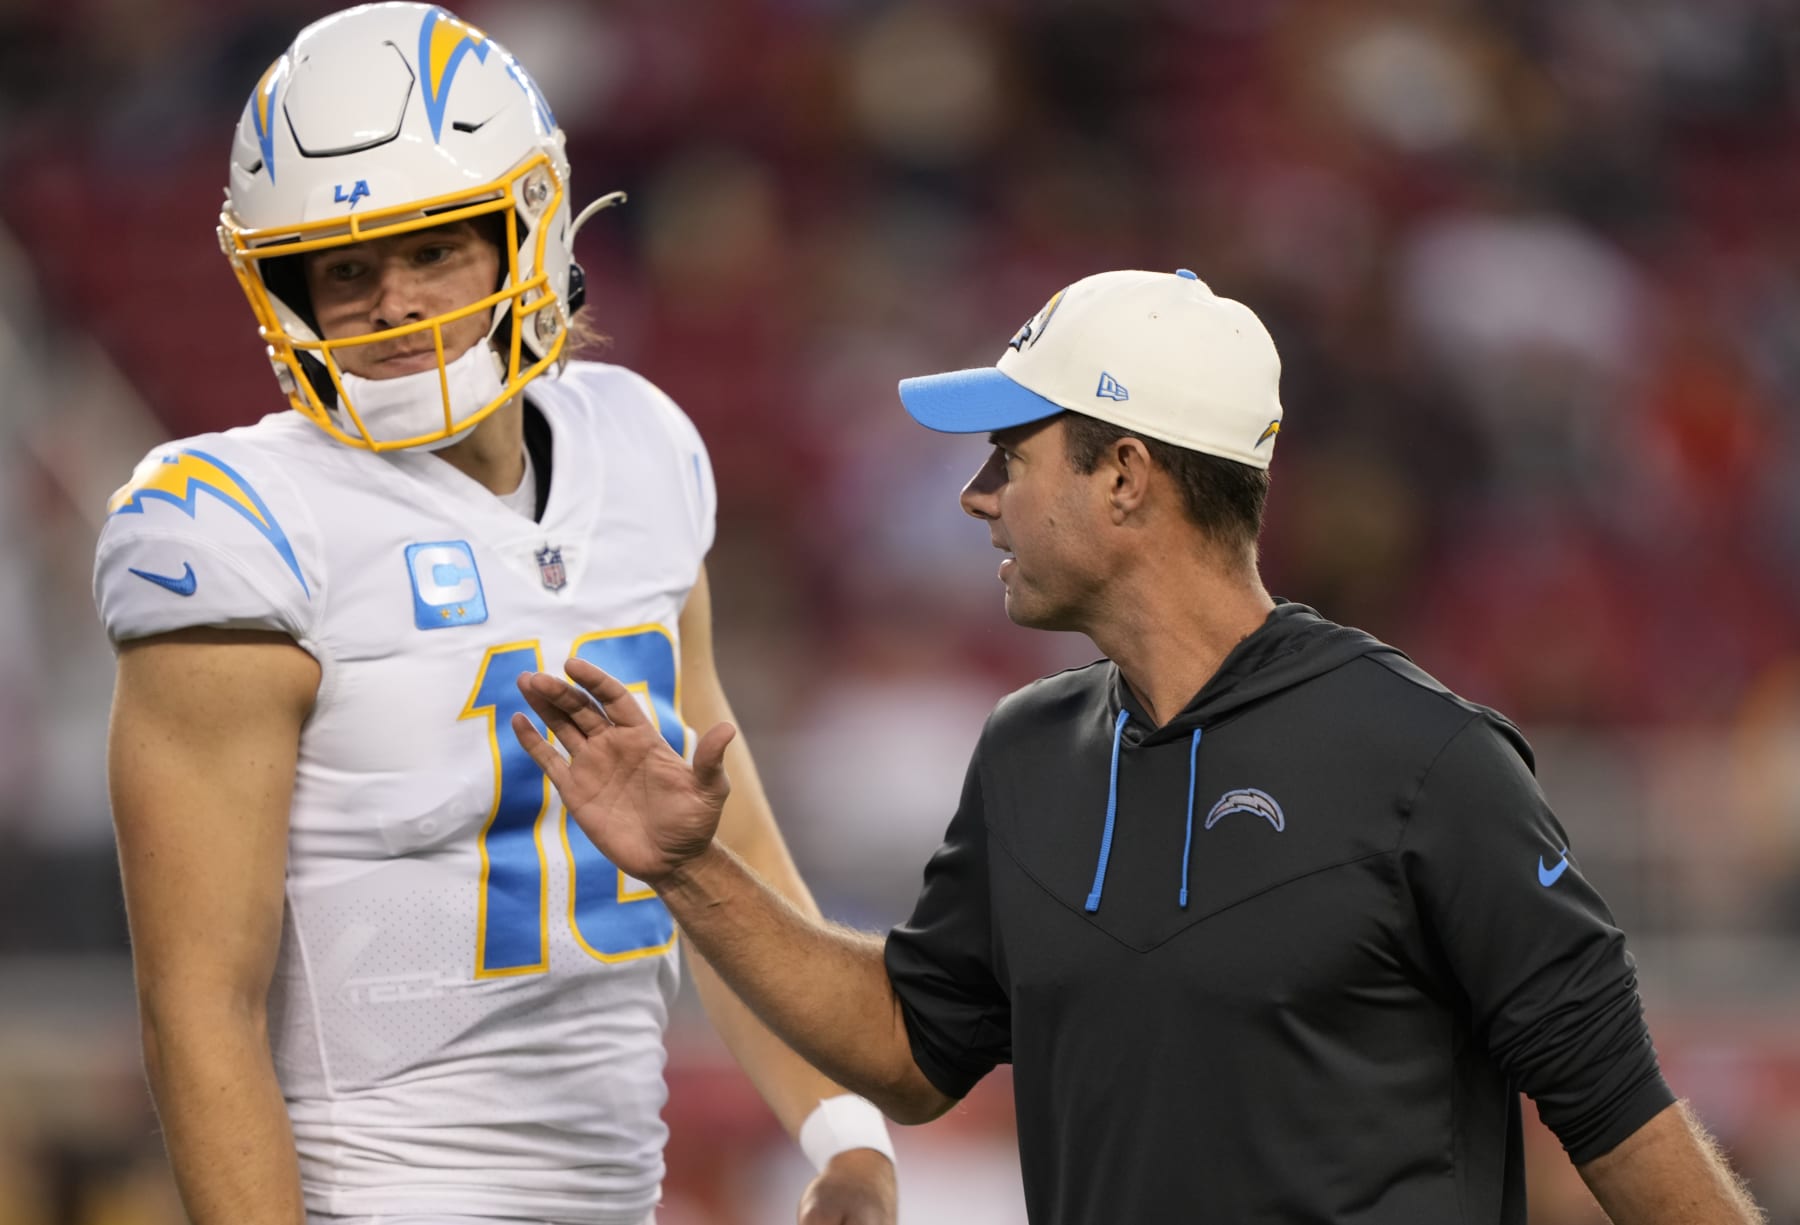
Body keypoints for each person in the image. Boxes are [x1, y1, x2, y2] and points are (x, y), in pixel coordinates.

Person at [510, 269, 1769, 1223]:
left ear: (1124, 475)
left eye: (1011, 455)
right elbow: (911, 1051)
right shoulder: (1025, 754)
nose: (977, 496)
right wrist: (690, 870)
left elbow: (1623, 1120)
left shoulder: (1427, 764)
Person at [94, 5, 897, 1224]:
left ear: (524, 229)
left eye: (432, 250)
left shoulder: (643, 449)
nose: (388, 303)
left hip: (623, 1194)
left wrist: (840, 1125)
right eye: (344, 269)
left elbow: (713, 843)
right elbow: (199, 1005)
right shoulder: (242, 525)